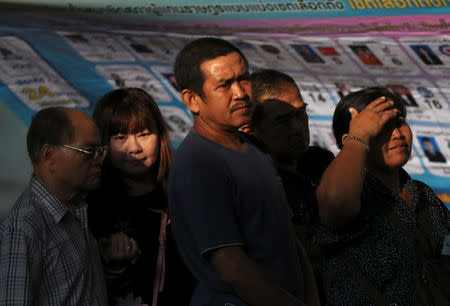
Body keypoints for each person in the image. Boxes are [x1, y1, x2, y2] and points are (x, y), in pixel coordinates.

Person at [169, 37, 310, 306]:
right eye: (224, 85)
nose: (240, 93)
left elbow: (289, 241)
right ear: (192, 99)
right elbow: (231, 267)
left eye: (243, 79)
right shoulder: (198, 163)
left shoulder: (255, 147)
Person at [315, 87, 450, 305]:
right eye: (381, 127)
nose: (396, 134)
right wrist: (359, 137)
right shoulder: (350, 198)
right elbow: (334, 205)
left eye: (399, 122)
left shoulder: (422, 194)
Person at [87, 88, 195, 306]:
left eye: (144, 135)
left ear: (160, 135)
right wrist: (110, 267)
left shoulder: (187, 193)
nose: (134, 148)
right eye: (120, 138)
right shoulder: (90, 206)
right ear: (103, 143)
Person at [0, 107, 108, 305]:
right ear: (49, 155)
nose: (98, 160)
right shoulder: (23, 229)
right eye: (89, 151)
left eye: (100, 151)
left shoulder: (77, 210)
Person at [249, 69, 333, 304]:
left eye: (301, 113)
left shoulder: (320, 162)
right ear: (250, 128)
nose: (298, 127)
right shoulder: (250, 184)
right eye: (283, 121)